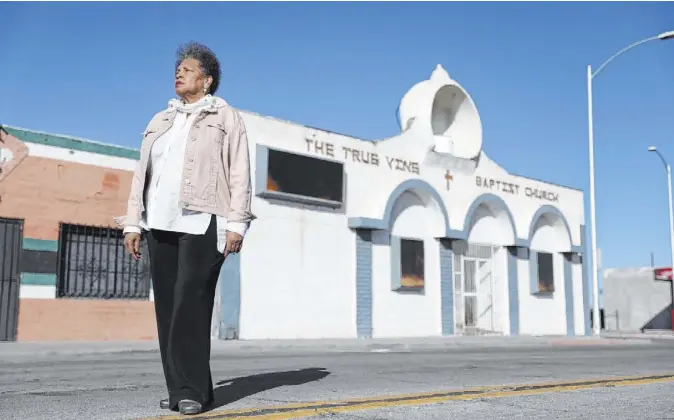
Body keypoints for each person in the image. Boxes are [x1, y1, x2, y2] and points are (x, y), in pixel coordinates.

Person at [115, 41, 255, 415]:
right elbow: (141, 175)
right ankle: (184, 390)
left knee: (190, 306)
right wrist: (133, 222)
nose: (179, 72)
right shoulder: (160, 120)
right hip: (159, 223)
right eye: (177, 68)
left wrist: (237, 222)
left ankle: (190, 388)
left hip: (203, 221)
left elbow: (240, 171)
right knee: (167, 309)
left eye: (188, 69)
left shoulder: (226, 118)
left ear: (207, 80)